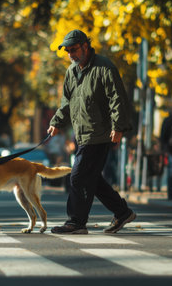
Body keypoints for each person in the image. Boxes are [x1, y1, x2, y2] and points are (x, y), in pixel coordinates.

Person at [47, 29, 135, 234]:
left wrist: (118, 126)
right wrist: (57, 122)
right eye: (68, 51)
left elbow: (117, 98)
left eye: (74, 49)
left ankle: (76, 222)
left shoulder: (104, 67)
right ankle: (122, 212)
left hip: (100, 133)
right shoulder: (71, 71)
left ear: (86, 46)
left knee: (78, 176)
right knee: (91, 178)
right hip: (82, 133)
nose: (71, 54)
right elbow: (67, 102)